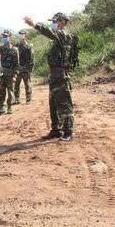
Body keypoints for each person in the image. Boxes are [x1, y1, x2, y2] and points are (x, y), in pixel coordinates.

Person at [23, 13, 76, 142]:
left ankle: (68, 131)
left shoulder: (64, 35)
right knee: (53, 103)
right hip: (54, 74)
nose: (53, 23)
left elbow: (49, 32)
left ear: (63, 22)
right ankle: (56, 130)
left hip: (61, 75)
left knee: (64, 103)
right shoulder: (58, 37)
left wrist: (35, 25)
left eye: (55, 21)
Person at [0, 29, 19, 115]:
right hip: (2, 74)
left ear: (10, 37)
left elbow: (17, 64)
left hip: (10, 74)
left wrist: (15, 75)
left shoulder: (14, 50)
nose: (4, 38)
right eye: (3, 36)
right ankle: (1, 107)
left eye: (6, 36)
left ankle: (9, 107)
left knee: (10, 92)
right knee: (1, 92)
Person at [14, 30, 34, 104]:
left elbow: (31, 59)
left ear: (25, 36)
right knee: (16, 85)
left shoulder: (29, 46)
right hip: (18, 69)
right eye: (20, 34)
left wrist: (30, 70)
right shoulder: (16, 46)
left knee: (27, 84)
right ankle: (16, 99)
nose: (21, 36)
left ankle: (28, 99)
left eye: (22, 34)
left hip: (26, 69)